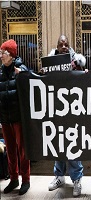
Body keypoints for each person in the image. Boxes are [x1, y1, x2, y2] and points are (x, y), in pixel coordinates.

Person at [47, 35, 85, 197]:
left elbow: (82, 78)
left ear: (69, 47)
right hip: (56, 110)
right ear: (56, 47)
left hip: (72, 110)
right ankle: (59, 176)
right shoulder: (50, 62)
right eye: (61, 44)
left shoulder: (75, 62)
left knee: (72, 144)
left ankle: (76, 178)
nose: (63, 47)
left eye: (66, 45)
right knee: (58, 143)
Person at [0, 39, 30, 195]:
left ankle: (25, 180)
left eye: (3, 53)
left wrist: (23, 75)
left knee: (22, 151)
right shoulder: (0, 72)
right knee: (10, 150)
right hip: (5, 118)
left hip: (19, 118)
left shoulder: (21, 69)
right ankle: (13, 179)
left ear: (11, 54)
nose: (1, 56)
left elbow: (32, 82)